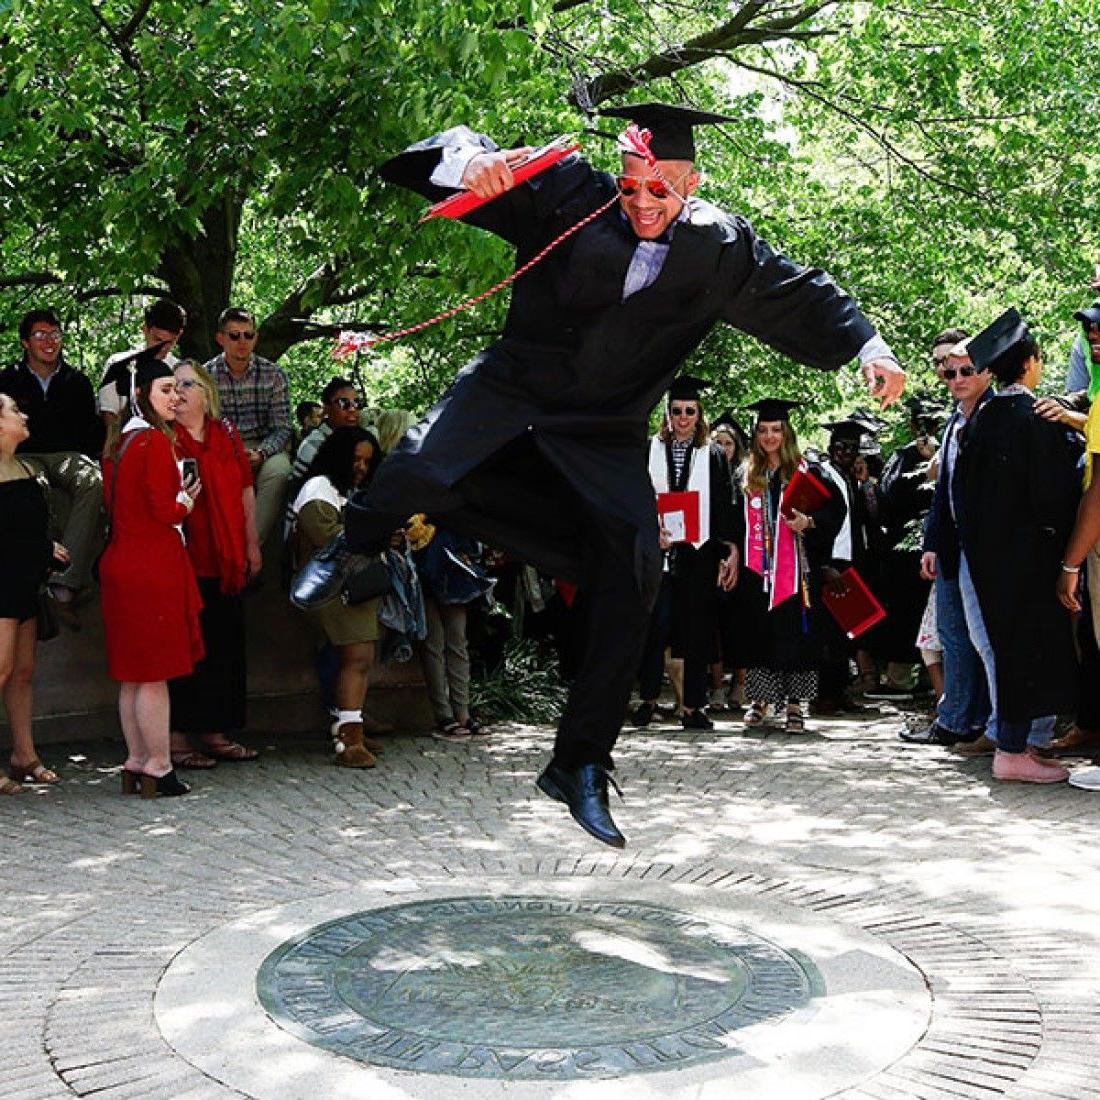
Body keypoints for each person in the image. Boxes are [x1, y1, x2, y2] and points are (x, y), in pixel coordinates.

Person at [300, 102, 903, 848]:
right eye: (631, 189)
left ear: (694, 183)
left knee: (634, 573)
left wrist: (869, 347)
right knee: (420, 466)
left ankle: (580, 760)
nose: (643, 204)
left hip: (604, 428)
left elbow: (797, 290)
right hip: (514, 388)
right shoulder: (573, 197)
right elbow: (459, 158)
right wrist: (468, 166)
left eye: (661, 192)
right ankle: (352, 540)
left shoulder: (719, 247)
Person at [954, 308, 1081, 783]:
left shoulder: (981, 421)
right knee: (1026, 650)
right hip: (1030, 560)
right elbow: (1053, 497)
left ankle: (1020, 744)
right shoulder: (1035, 419)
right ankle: (1011, 750)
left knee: (1008, 647)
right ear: (1031, 362)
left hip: (989, 560)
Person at [99, 350, 203, 798]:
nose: (176, 397)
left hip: (122, 563)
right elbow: (165, 509)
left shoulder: (119, 442)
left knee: (133, 675)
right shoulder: (155, 442)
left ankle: (136, 761)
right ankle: (158, 765)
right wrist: (187, 501)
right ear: (143, 395)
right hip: (150, 567)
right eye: (166, 390)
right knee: (154, 675)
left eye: (178, 389)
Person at [167, 361, 262, 769]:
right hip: (186, 558)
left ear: (207, 391)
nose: (182, 390)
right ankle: (175, 739)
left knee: (224, 645)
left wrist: (251, 544)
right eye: (175, 384)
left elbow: (244, 487)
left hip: (226, 558)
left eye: (189, 383)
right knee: (187, 649)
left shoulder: (226, 434)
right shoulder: (165, 439)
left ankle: (215, 731)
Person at [901, 330, 993, 747]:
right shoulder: (956, 417)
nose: (950, 374)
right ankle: (956, 718)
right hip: (951, 551)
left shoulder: (993, 415)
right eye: (943, 367)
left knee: (979, 640)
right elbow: (944, 493)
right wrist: (931, 543)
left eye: (960, 368)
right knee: (953, 635)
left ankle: (978, 723)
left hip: (985, 550)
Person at [734, 399, 845, 730]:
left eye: (776, 430)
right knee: (760, 632)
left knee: (796, 634)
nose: (770, 437)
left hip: (795, 570)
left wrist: (808, 522)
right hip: (757, 570)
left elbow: (834, 511)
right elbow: (730, 519)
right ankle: (760, 700)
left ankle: (796, 705)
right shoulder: (746, 474)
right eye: (763, 430)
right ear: (756, 434)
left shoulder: (806, 471)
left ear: (787, 433)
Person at [634, 376, 737, 730]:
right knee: (654, 627)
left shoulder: (712, 454)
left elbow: (725, 504)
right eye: (676, 410)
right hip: (658, 550)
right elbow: (637, 499)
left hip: (699, 552)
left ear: (699, 413)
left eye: (689, 411)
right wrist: (650, 532)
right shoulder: (650, 449)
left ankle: (694, 706)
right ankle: (647, 700)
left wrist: (730, 550)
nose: (682, 418)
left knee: (696, 629)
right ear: (667, 412)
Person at [0, 309, 105, 627]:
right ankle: (42, 570)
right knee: (37, 490)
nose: (49, 341)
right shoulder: (7, 380)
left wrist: (87, 458)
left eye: (55, 334)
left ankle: (64, 582)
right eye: (41, 335)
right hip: (26, 455)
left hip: (68, 455)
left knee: (93, 480)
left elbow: (91, 432)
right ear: (24, 342)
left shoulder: (77, 381)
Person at [290, 426, 386, 769]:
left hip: (347, 587)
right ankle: (350, 740)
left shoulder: (343, 490)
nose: (361, 467)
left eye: (367, 462)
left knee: (356, 659)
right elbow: (327, 538)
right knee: (357, 657)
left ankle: (351, 726)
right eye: (355, 459)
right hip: (333, 589)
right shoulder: (318, 489)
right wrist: (378, 535)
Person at [0, 394, 68, 792]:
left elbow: (30, 528)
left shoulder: (25, 467)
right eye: (14, 410)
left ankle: (24, 754)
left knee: (22, 672)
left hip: (26, 582)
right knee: (2, 669)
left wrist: (46, 551)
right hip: (2, 585)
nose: (23, 415)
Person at [204, 308, 292, 550]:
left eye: (248, 335)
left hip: (265, 446)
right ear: (220, 338)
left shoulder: (274, 375)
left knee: (280, 472)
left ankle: (249, 545)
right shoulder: (206, 376)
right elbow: (204, 427)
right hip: (222, 447)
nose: (242, 342)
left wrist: (262, 453)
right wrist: (230, 452)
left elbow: (283, 428)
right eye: (234, 336)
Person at [409, 515, 494, 741]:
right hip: (425, 569)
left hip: (452, 570)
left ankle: (461, 714)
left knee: (454, 642)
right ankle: (445, 716)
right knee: (435, 644)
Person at [98, 298, 186, 428]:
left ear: (179, 336)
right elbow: (109, 415)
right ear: (145, 329)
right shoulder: (118, 365)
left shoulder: (181, 371)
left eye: (169, 343)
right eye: (158, 340)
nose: (162, 348)